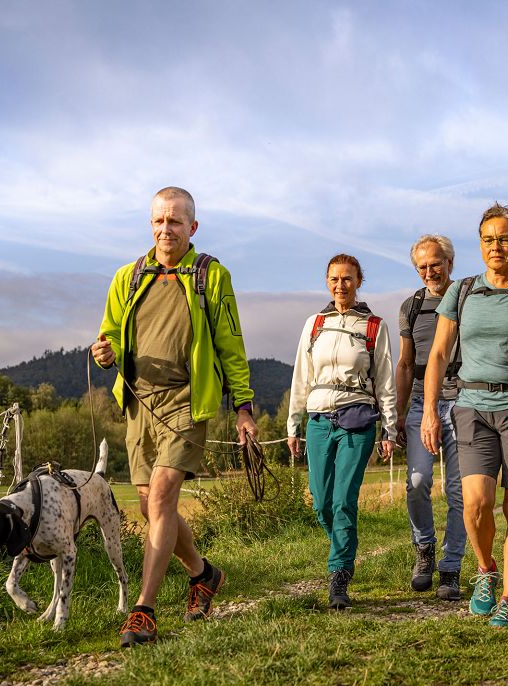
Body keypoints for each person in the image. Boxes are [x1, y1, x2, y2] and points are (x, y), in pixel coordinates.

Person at [91, 186, 257, 647]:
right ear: (151, 224)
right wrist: (105, 353)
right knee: (147, 505)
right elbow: (110, 336)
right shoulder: (128, 276)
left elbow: (230, 344)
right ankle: (203, 574)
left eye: (176, 222)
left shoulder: (210, 276)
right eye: (159, 221)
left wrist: (243, 408)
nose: (167, 229)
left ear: (193, 227)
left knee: (162, 497)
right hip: (139, 404)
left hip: (187, 400)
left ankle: (143, 610)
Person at [420, 203, 508, 628]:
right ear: (479, 245)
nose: (496, 246)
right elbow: (440, 354)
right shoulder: (461, 291)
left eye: (504, 238)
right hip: (472, 406)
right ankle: (486, 570)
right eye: (488, 239)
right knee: (476, 504)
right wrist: (430, 410)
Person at [287, 254, 397, 609]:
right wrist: (294, 425)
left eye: (347, 278)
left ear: (359, 281)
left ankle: (339, 576)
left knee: (343, 499)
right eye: (334, 278)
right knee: (320, 501)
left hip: (358, 418)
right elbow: (301, 376)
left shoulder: (373, 326)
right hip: (318, 420)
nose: (340, 285)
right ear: (327, 281)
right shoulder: (315, 323)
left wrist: (390, 430)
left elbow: (386, 381)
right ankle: (344, 549)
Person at [395, 234, 466, 600]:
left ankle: (451, 568)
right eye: (421, 266)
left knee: (459, 491)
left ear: (450, 263)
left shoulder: (469, 298)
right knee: (418, 481)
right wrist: (397, 414)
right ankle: (424, 550)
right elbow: (405, 364)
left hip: (464, 401)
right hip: (422, 401)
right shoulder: (411, 306)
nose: (429, 271)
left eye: (435, 264)